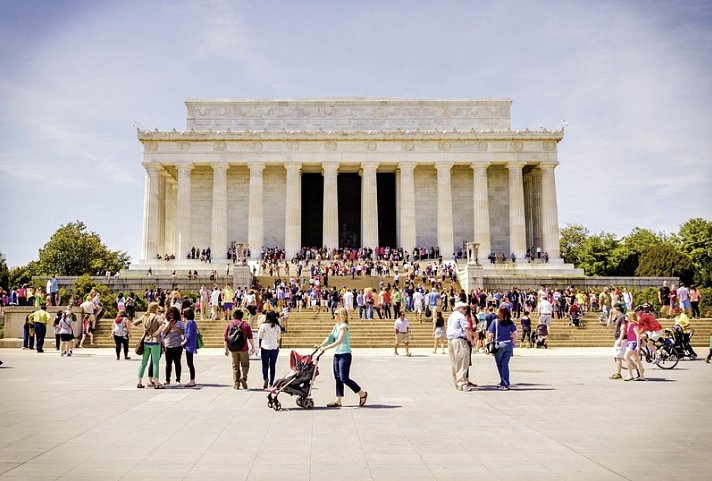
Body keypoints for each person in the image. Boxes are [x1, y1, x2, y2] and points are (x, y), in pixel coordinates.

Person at [316, 307, 367, 408]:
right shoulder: (336, 326)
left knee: (344, 378)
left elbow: (339, 341)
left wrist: (325, 348)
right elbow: (330, 337)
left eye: (336, 313)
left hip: (345, 354)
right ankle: (338, 400)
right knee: (337, 378)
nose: (334, 315)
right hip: (337, 354)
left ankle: (362, 393)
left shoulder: (344, 326)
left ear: (342, 315)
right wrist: (320, 345)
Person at [134, 302, 164, 389]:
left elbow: (135, 323)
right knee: (155, 363)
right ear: (155, 308)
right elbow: (163, 324)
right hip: (155, 341)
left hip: (146, 341)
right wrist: (157, 332)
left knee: (143, 362)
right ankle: (157, 383)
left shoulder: (145, 316)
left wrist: (144, 330)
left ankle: (139, 381)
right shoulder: (157, 317)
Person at [487, 307, 518, 390]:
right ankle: (505, 381)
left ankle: (504, 383)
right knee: (505, 364)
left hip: (499, 345)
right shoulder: (510, 322)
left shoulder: (495, 322)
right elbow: (515, 333)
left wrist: (489, 341)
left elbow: (490, 335)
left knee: (499, 365)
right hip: (508, 344)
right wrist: (512, 342)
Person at [446, 301, 474, 391]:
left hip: (451, 340)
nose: (466, 310)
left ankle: (457, 382)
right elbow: (466, 330)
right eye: (464, 308)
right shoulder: (460, 316)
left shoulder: (451, 316)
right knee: (462, 362)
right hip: (459, 340)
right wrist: (471, 340)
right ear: (459, 309)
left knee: (455, 363)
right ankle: (461, 383)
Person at [224, 309, 255, 390]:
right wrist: (253, 347)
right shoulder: (246, 325)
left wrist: (226, 349)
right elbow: (250, 337)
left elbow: (226, 338)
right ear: (242, 316)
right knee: (245, 365)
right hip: (243, 348)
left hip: (233, 349)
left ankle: (236, 384)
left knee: (235, 366)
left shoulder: (229, 325)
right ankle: (243, 377)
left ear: (234, 315)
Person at [257, 310, 281, 389]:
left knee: (265, 365)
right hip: (274, 347)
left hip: (265, 346)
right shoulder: (277, 326)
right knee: (272, 365)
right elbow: (279, 337)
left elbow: (259, 336)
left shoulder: (263, 326)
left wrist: (259, 345)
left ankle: (266, 378)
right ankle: (271, 381)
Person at [162, 306, 185, 385]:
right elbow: (163, 332)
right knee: (168, 363)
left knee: (177, 362)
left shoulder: (180, 322)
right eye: (169, 314)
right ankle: (167, 379)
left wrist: (176, 328)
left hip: (178, 345)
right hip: (168, 344)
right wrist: (168, 326)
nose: (171, 316)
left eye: (172, 314)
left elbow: (183, 332)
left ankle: (178, 379)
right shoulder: (165, 322)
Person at [622, 312, 645, 381]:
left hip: (633, 343)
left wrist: (638, 346)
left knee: (626, 357)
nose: (625, 316)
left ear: (630, 317)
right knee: (637, 360)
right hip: (630, 342)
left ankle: (630, 375)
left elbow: (637, 335)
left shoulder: (634, 324)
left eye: (627, 315)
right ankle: (642, 376)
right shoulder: (628, 324)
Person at [609, 304, 627, 380]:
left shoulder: (622, 317)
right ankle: (638, 368)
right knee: (620, 357)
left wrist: (620, 339)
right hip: (618, 338)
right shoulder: (617, 317)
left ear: (617, 309)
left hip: (621, 339)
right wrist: (610, 315)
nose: (612, 310)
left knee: (618, 357)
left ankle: (618, 373)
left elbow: (623, 329)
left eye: (612, 309)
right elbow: (609, 325)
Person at [182, 307, 198, 387]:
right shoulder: (192, 322)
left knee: (190, 363)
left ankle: (192, 380)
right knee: (190, 363)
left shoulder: (189, 323)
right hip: (191, 344)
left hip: (189, 345)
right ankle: (192, 379)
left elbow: (188, 334)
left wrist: (183, 342)